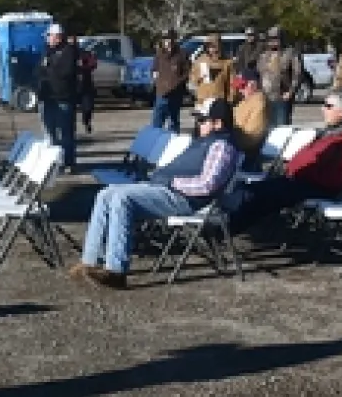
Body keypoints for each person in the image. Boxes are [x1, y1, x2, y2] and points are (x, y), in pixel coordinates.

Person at [69, 99, 242, 290]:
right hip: (169, 190)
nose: (198, 124)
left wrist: (173, 181)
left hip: (186, 199)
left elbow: (207, 185)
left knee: (122, 198)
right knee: (105, 194)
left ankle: (116, 271)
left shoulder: (222, 147)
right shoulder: (204, 141)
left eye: (202, 120)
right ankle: (90, 261)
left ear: (218, 123)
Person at [227, 90, 342, 233]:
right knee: (256, 189)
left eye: (328, 106)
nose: (322, 109)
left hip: (320, 187)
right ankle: (229, 224)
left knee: (265, 194)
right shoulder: (333, 131)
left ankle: (228, 228)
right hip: (303, 180)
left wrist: (306, 173)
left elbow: (341, 174)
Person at [38, 24, 82, 172]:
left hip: (63, 97)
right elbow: (40, 70)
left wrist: (48, 69)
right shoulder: (47, 52)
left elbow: (65, 72)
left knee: (66, 132)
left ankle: (69, 162)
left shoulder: (69, 51)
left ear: (58, 36)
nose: (48, 39)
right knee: (50, 132)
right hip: (48, 97)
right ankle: (54, 161)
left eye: (50, 36)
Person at [255, 26, 305, 129]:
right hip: (266, 98)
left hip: (282, 97)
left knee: (282, 129)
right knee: (268, 129)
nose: (273, 42)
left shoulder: (290, 53)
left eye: (276, 38)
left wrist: (291, 92)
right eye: (271, 39)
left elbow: (298, 74)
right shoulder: (263, 56)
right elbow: (259, 74)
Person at [149, 29, 191, 133]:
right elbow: (154, 70)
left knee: (173, 122)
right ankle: (155, 144)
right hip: (161, 93)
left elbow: (187, 72)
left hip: (175, 93)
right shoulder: (159, 54)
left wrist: (177, 82)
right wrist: (156, 79)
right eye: (165, 39)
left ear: (174, 39)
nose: (168, 41)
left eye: (170, 38)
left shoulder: (181, 54)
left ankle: (172, 144)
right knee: (157, 122)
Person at [230, 70, 271, 170]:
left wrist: (229, 140)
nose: (240, 90)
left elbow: (253, 136)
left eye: (242, 86)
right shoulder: (243, 103)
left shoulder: (259, 103)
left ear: (253, 84)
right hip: (237, 148)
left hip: (247, 154)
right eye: (239, 87)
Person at [190, 30, 234, 105]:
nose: (214, 49)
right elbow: (193, 81)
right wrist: (198, 78)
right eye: (211, 46)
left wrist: (230, 99)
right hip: (203, 100)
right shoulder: (200, 61)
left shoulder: (227, 62)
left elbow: (232, 83)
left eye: (216, 46)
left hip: (220, 101)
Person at [78, 44, 99, 135]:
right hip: (74, 85)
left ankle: (87, 122)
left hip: (86, 85)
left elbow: (93, 64)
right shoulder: (69, 54)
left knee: (88, 108)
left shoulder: (87, 54)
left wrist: (85, 64)